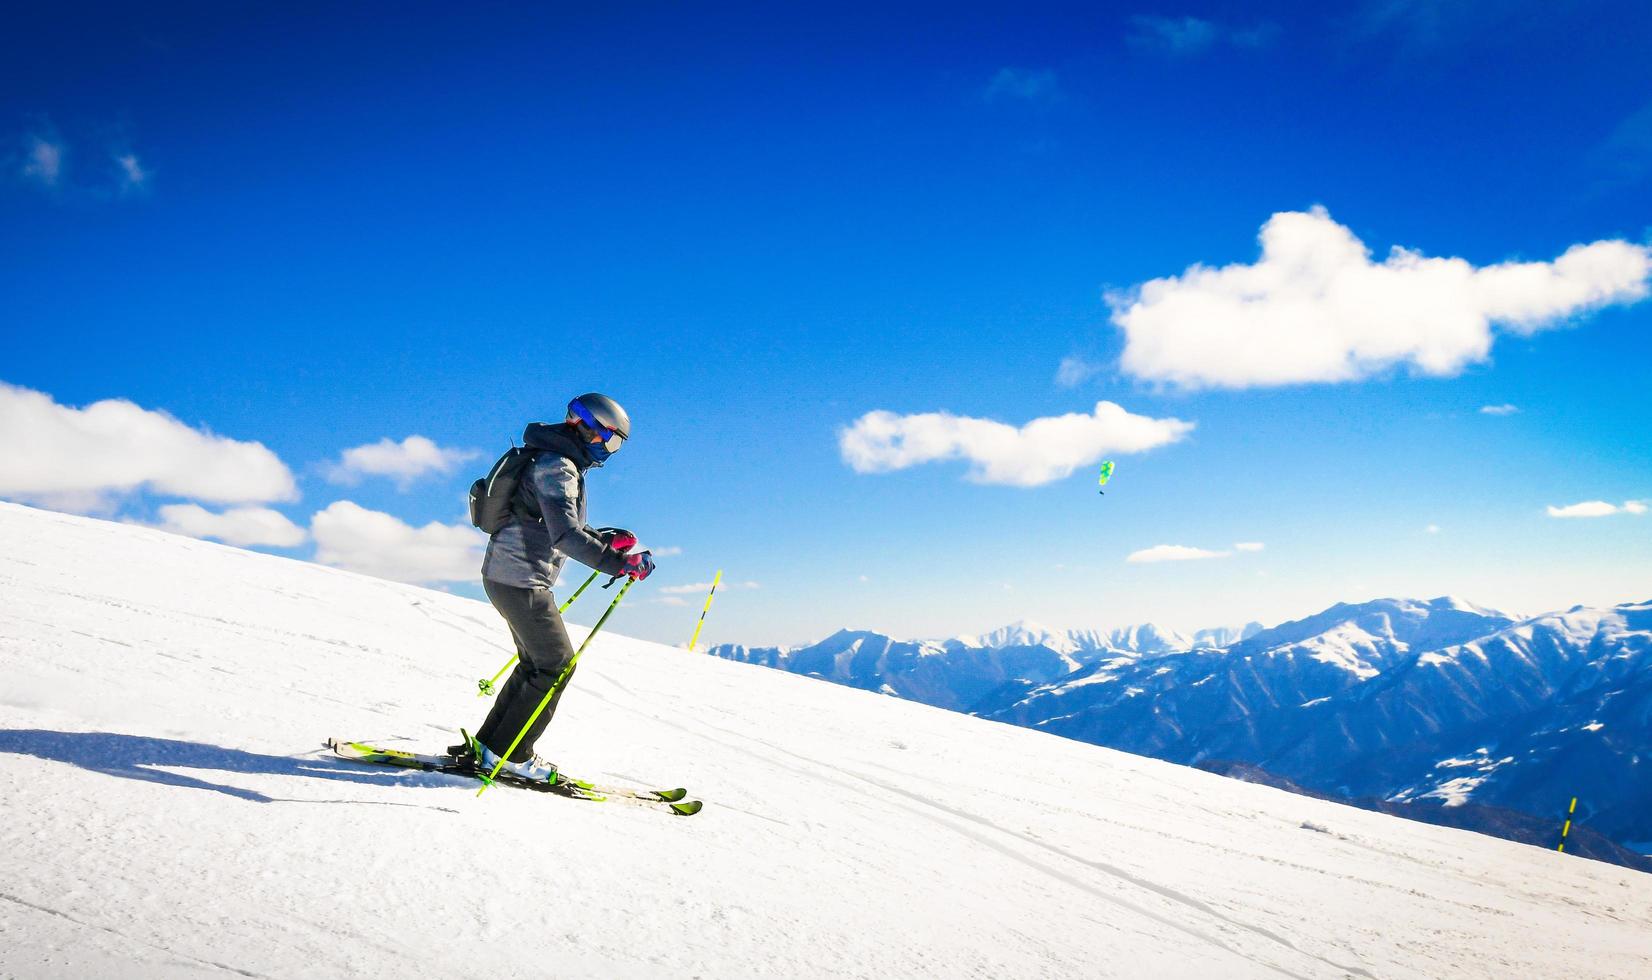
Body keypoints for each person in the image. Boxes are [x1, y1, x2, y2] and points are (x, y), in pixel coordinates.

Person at [461, 392, 655, 782]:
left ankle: (491, 745)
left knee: (537, 664)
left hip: (506, 575)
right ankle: (513, 756)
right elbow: (564, 534)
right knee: (556, 666)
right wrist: (620, 564)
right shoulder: (558, 466)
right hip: (521, 579)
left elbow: (548, 524)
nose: (610, 450)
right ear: (593, 430)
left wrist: (604, 540)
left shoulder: (548, 457)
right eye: (612, 440)